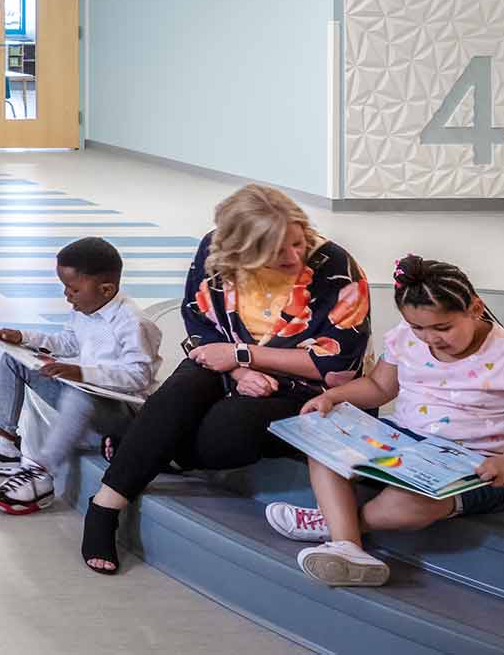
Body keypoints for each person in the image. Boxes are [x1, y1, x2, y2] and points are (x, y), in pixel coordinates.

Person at [79, 183, 371, 575]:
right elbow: (200, 322)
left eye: (298, 243)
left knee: (226, 431)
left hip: (306, 389)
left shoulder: (337, 270)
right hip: (229, 366)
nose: (294, 256)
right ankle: (104, 509)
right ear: (242, 253)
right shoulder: (214, 254)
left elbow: (337, 365)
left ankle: (147, 446)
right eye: (278, 252)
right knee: (183, 387)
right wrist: (236, 368)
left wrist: (243, 355)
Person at [266, 254, 504, 587]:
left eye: (443, 327)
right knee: (322, 440)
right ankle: (348, 546)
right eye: (419, 328)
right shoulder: (405, 337)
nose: (431, 338)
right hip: (407, 442)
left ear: (474, 308)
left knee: (406, 507)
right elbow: (378, 386)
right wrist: (333, 397)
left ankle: (332, 524)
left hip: (480, 464)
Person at [0, 236, 161, 515]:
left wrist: (81, 372)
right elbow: (68, 343)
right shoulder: (85, 309)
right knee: (13, 360)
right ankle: (4, 444)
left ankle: (41, 473)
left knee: (79, 394)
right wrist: (23, 338)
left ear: (106, 289)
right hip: (84, 398)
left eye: (72, 289)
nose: (66, 296)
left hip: (122, 415)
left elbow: (138, 377)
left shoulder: (133, 323)